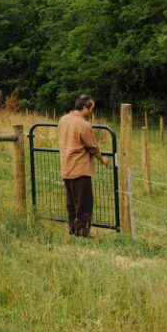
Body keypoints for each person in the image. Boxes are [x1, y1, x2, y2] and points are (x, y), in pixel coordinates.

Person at [57, 94, 110, 237]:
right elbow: (92, 147)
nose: (92, 112)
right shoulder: (83, 125)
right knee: (84, 203)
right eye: (91, 109)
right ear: (85, 108)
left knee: (71, 203)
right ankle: (82, 233)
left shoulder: (63, 120)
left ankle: (73, 230)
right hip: (80, 169)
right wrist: (102, 159)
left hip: (66, 166)